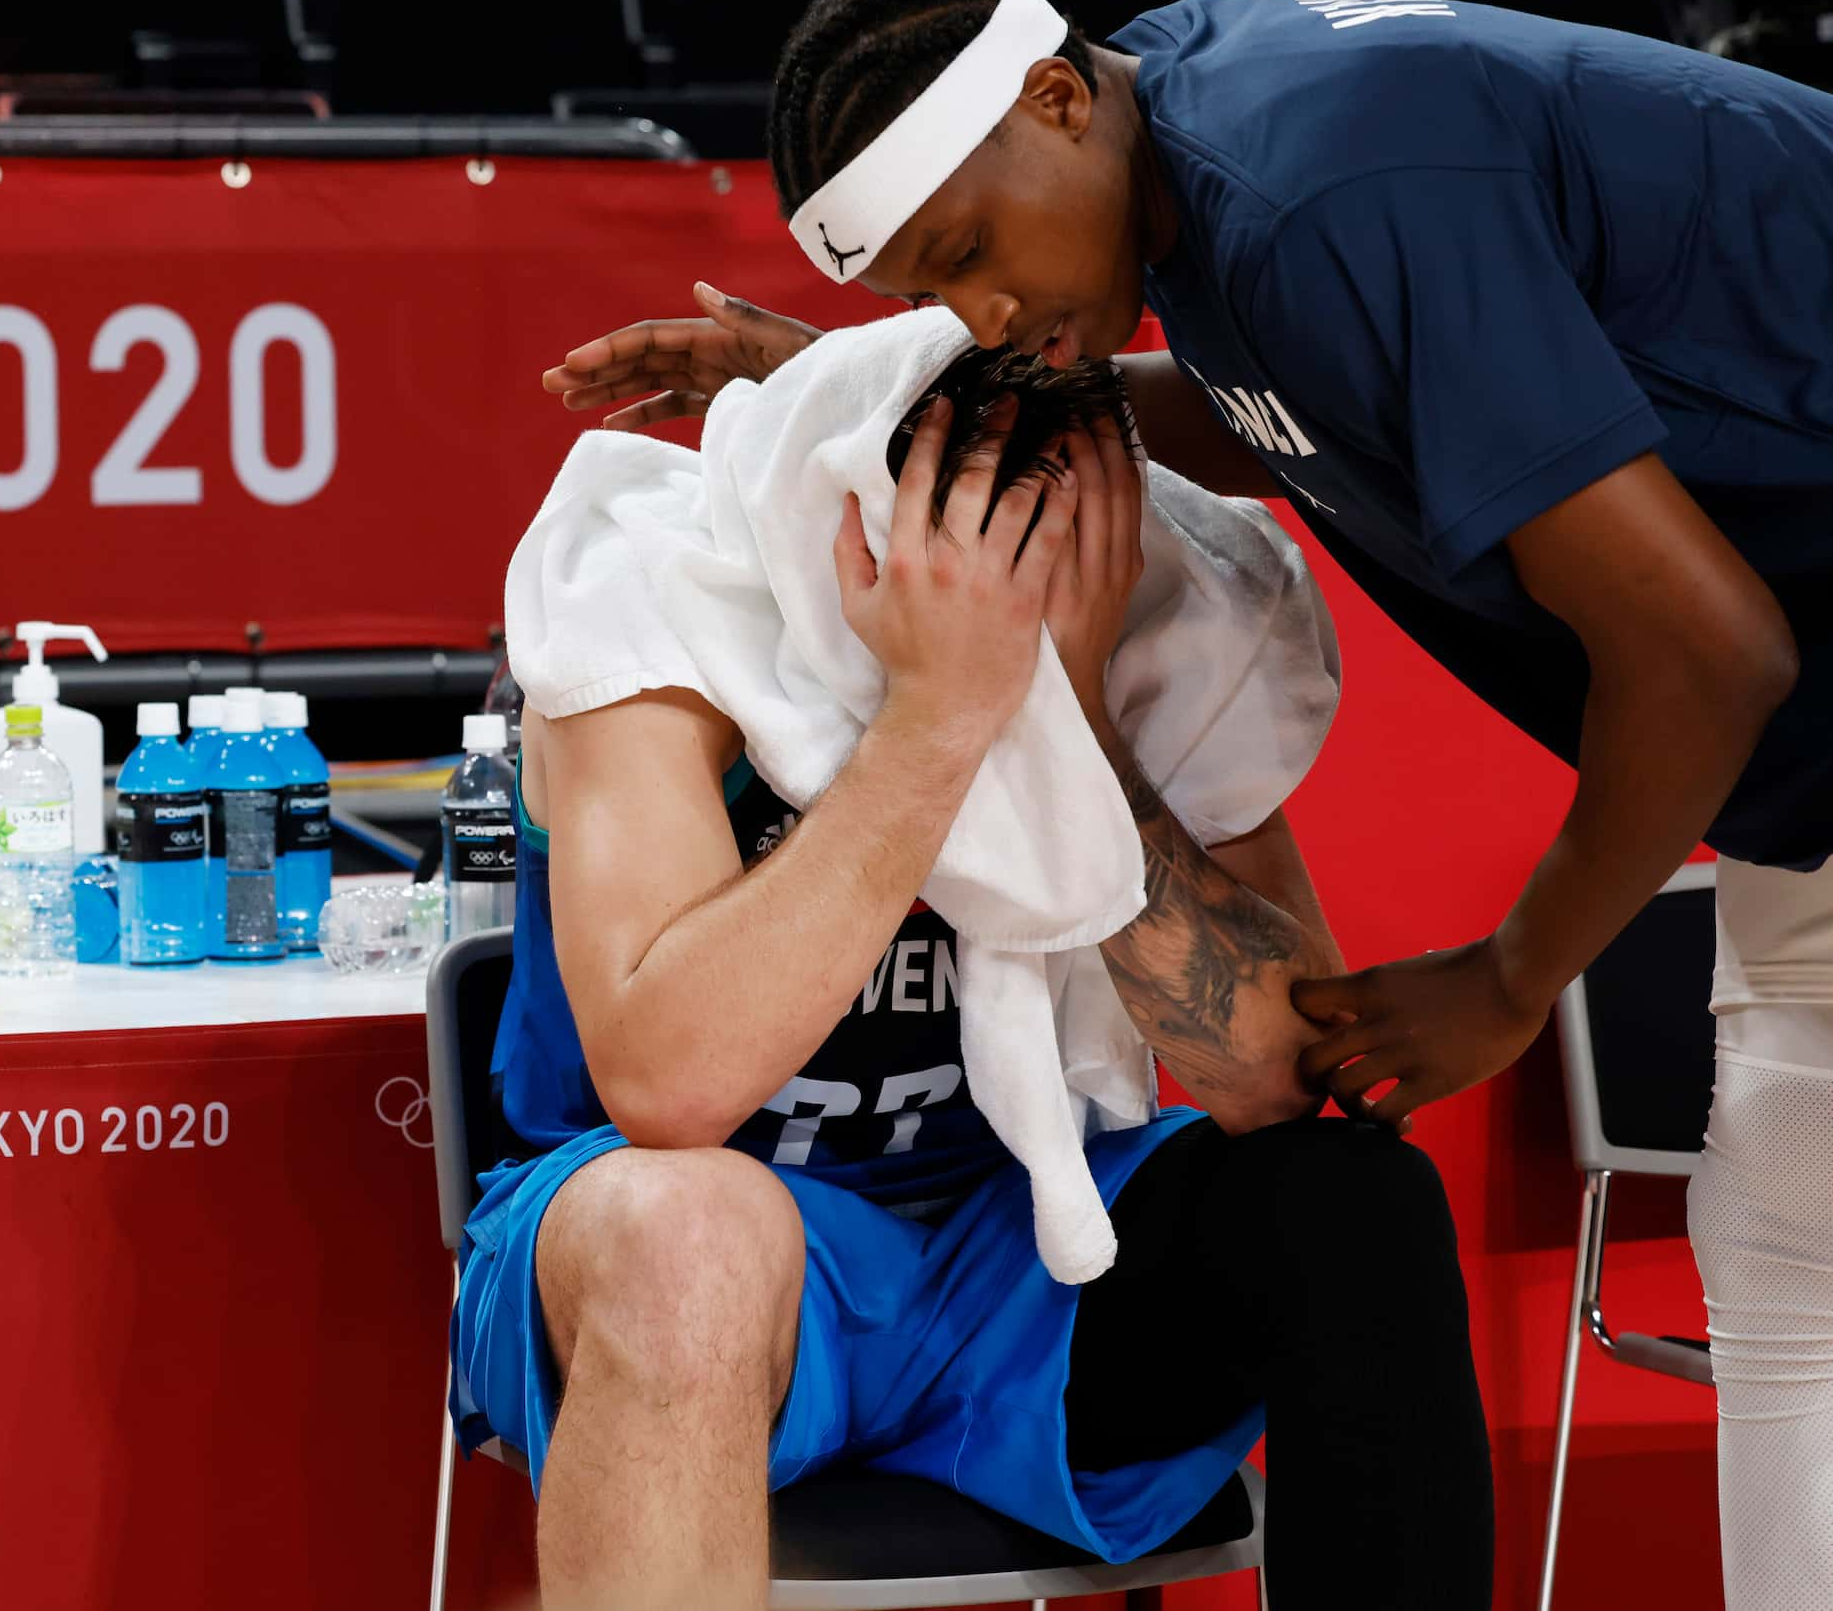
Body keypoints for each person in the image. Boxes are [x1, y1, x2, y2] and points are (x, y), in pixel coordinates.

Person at [548, 0, 1833, 1607]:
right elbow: (1300, 396)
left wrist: (1511, 975)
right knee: (1786, 1252)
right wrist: (838, 396)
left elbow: (1708, 646)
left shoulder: (1313, 186)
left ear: (1055, 97)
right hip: (1800, 774)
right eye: (922, 311)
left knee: (1773, 1253)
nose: (980, 325)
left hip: (1774, 685)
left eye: (967, 258)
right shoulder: (1208, 136)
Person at [462, 358, 1492, 1610]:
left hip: (1012, 1256)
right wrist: (940, 717)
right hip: (684, 1244)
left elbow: (1278, 1077)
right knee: (694, 1237)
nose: (1010, 574)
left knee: (1352, 1203)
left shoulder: (1151, 631)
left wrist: (1082, 725)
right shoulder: (661, 598)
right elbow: (668, 1091)